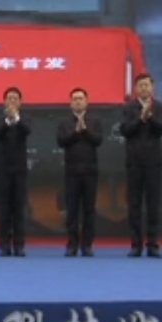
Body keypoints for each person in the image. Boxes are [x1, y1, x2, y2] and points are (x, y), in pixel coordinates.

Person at [119, 73, 162, 257]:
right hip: (134, 162)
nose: (144, 88)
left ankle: (153, 244)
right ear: (136, 89)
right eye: (140, 85)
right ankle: (136, 244)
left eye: (147, 85)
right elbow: (125, 130)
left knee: (153, 204)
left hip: (153, 162)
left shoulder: (160, 108)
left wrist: (150, 117)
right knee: (134, 204)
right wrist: (141, 118)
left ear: (152, 87)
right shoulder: (128, 108)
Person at [55, 87, 104, 257]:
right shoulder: (64, 123)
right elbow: (61, 141)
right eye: (75, 99)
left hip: (90, 171)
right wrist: (76, 132)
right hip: (72, 171)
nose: (78, 101)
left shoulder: (95, 121)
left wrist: (85, 130)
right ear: (70, 103)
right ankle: (72, 244)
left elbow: (98, 140)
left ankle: (87, 245)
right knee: (72, 209)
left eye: (80, 98)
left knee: (89, 209)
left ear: (86, 102)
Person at [0, 86, 31, 257]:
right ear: (4, 102)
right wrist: (8, 121)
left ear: (20, 102)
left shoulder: (25, 119)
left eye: (15, 98)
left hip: (20, 171)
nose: (12, 101)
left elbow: (27, 131)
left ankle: (19, 245)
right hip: (3, 170)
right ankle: (4, 245)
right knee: (4, 209)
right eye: (9, 98)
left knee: (19, 208)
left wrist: (16, 118)